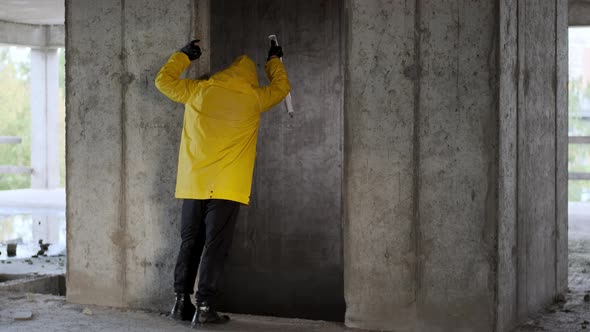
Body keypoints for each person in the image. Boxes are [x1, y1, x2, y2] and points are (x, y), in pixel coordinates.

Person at [154, 39, 290, 327]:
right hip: (228, 185)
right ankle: (204, 307)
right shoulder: (254, 97)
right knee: (215, 245)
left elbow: (162, 81)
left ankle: (181, 302)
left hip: (195, 181)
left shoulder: (198, 90)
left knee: (190, 240)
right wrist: (274, 61)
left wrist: (184, 56)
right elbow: (282, 89)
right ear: (249, 78)